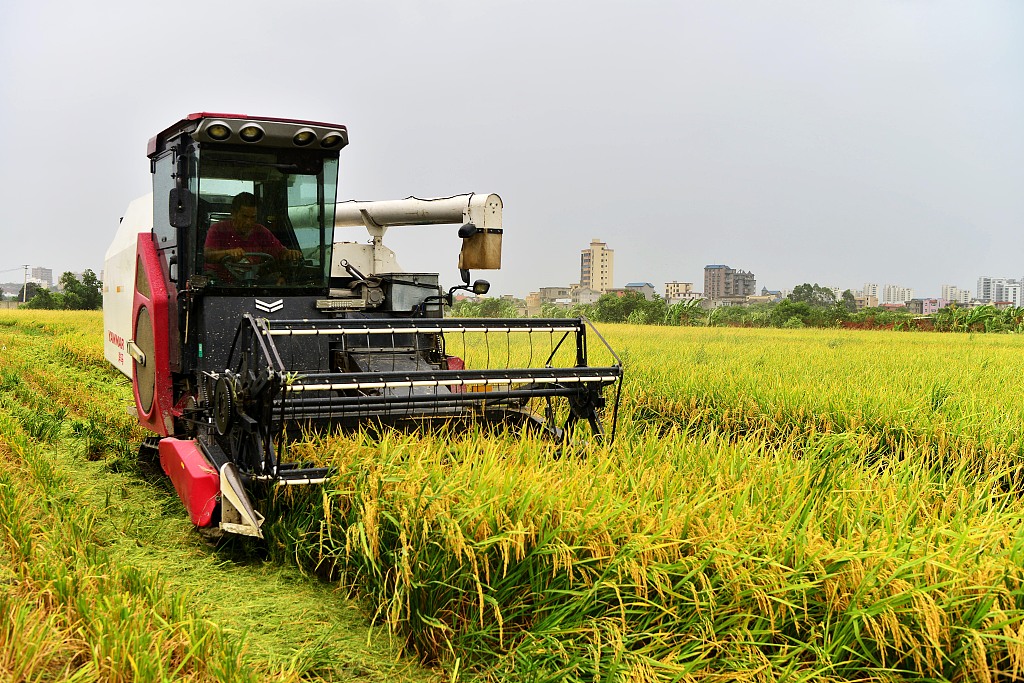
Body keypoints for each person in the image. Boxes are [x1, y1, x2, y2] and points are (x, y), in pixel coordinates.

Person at [204, 192, 302, 282]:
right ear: (233, 214)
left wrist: (290, 254)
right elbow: (207, 255)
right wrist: (227, 253)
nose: (248, 222)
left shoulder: (261, 232)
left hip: (252, 282)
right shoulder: (218, 230)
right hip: (221, 285)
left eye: (253, 217)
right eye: (244, 217)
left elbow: (280, 252)